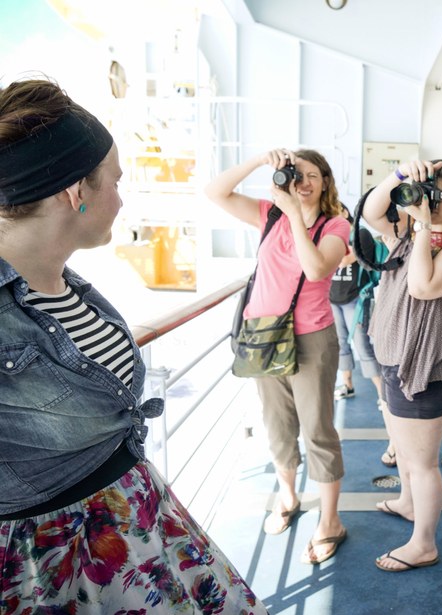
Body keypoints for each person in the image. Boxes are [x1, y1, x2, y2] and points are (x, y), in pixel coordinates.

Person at [0, 78, 263, 612]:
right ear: (75, 192)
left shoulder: (71, 287)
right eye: (114, 181)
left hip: (138, 517)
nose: (121, 199)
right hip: (58, 564)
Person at [205, 147, 349, 565]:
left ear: (325, 182)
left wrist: (294, 215)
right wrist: (258, 160)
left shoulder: (335, 224)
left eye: (312, 175)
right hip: (265, 336)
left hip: (312, 339)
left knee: (317, 429)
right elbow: (215, 192)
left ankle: (331, 522)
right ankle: (288, 497)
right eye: (294, 174)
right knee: (278, 425)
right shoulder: (268, 214)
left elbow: (316, 269)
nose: (302, 183)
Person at [363, 158, 442, 571]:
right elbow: (371, 211)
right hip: (396, 359)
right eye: (423, 193)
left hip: (428, 370)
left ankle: (424, 544)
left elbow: (421, 285)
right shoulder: (408, 230)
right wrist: (399, 175)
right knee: (406, 453)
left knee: (422, 463)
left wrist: (424, 226)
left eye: (438, 195)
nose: (427, 202)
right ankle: (407, 502)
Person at [330, 204, 384, 405]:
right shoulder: (330, 234)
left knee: (363, 346)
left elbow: (344, 260)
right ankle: (347, 385)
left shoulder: (361, 234)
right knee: (340, 344)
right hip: (333, 298)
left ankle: (383, 395)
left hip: (356, 298)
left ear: (344, 212)